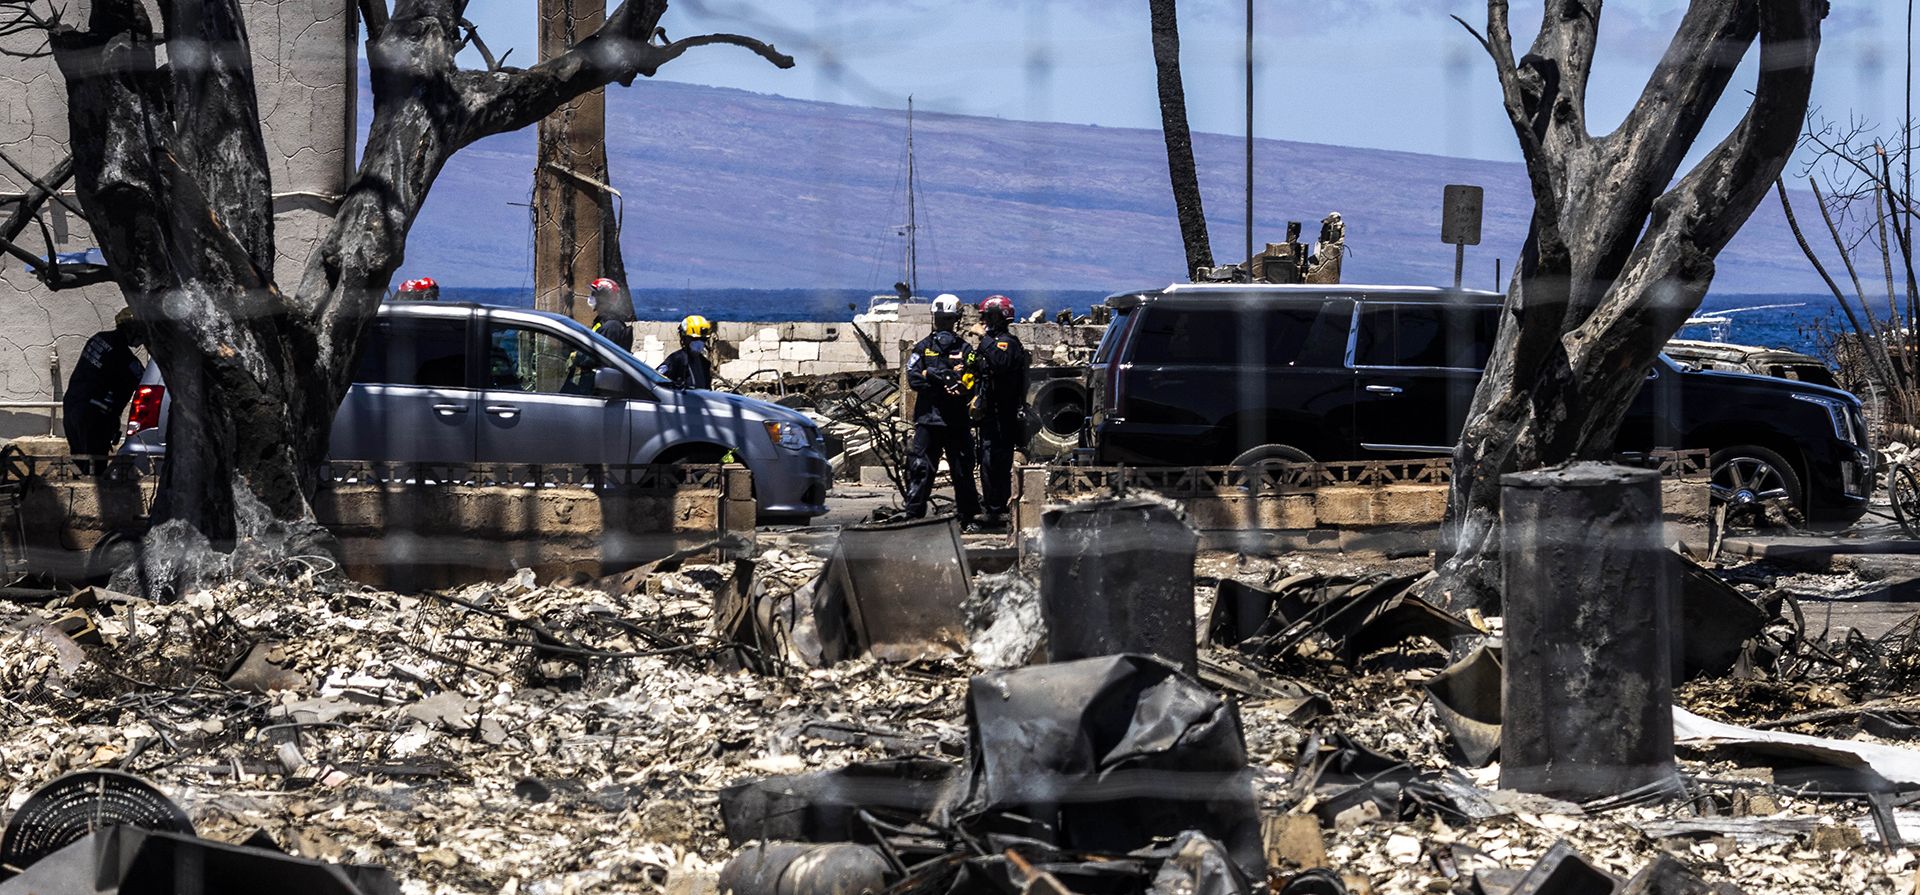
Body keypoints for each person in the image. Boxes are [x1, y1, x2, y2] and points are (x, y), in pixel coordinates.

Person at [902, 294, 981, 526]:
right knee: (920, 468)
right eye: (940, 319)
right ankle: (913, 517)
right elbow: (914, 379)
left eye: (948, 319)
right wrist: (940, 379)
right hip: (928, 420)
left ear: (956, 320)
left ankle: (968, 517)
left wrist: (940, 378)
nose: (944, 324)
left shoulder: (965, 349)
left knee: (963, 470)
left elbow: (971, 379)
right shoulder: (923, 348)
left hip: (956, 422)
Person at [63, 307, 145, 471]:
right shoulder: (126, 359)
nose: (143, 340)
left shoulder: (98, 339)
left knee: (81, 464)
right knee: (95, 470)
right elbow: (144, 381)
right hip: (95, 417)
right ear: (132, 330)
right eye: (142, 333)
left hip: (72, 407)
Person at [973, 294, 1030, 528]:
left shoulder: (1007, 343)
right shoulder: (993, 343)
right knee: (987, 460)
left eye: (989, 317)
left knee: (996, 461)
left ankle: (999, 509)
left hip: (1004, 413)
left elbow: (1000, 363)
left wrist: (983, 337)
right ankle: (993, 506)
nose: (985, 321)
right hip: (990, 412)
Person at [660, 315, 715, 390]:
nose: (699, 343)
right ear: (685, 338)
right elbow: (657, 383)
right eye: (695, 339)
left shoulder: (704, 363)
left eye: (703, 339)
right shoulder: (676, 360)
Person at [587, 277, 633, 351]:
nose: (591, 297)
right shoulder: (602, 321)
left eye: (594, 294)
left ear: (604, 298)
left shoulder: (612, 327)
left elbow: (598, 353)